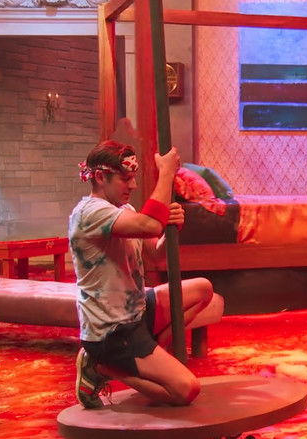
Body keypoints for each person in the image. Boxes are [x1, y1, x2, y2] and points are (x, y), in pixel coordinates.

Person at [69, 139, 214, 409]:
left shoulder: (125, 210)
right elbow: (149, 224)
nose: (133, 186)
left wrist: (171, 230)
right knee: (186, 390)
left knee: (203, 290)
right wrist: (167, 173)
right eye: (125, 179)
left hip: (136, 312)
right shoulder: (89, 213)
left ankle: (150, 353)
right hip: (112, 330)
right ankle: (102, 366)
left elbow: (155, 254)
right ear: (100, 177)